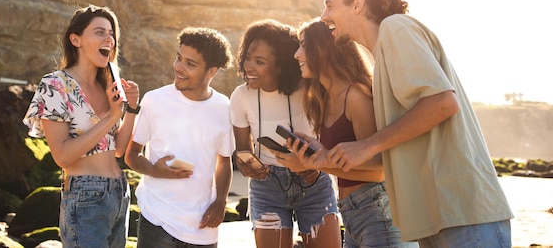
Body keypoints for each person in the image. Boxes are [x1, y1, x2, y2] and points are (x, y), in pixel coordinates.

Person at [291, 0, 514, 246]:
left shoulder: (396, 29)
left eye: (329, 5)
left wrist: (368, 145)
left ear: (357, 4)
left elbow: (443, 103)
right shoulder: (382, 55)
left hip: (464, 216)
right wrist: (326, 157)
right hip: (436, 219)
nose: (323, 16)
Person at [284, 19, 415, 247]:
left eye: (304, 46)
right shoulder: (324, 100)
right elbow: (343, 163)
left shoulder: (355, 96)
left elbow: (380, 169)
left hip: (377, 212)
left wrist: (312, 164)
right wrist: (312, 157)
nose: (296, 54)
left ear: (324, 49)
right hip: (351, 214)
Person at [23, 4, 140, 248]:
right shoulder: (55, 85)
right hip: (86, 195)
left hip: (120, 192)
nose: (109, 38)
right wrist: (110, 116)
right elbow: (63, 156)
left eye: (111, 33)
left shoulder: (107, 84)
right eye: (99, 32)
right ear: (75, 39)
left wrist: (130, 109)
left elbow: (117, 150)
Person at [229, 19, 341, 248]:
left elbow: (330, 138)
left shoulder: (309, 89)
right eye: (248, 57)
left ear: (281, 65)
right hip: (266, 185)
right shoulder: (240, 97)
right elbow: (243, 148)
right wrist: (247, 165)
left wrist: (315, 165)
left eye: (259, 61)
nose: (249, 66)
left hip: (313, 180)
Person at [124, 27, 234, 248]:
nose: (178, 68)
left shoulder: (224, 108)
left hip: (202, 228)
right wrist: (154, 170)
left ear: (211, 71)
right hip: (157, 220)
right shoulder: (154, 100)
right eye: (179, 58)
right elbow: (131, 155)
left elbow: (224, 162)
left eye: (190, 64)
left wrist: (221, 201)